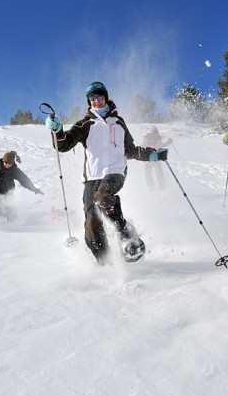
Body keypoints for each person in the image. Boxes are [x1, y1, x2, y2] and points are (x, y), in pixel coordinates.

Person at [45, 81, 168, 264]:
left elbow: (130, 149)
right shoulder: (85, 124)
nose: (96, 101)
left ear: (105, 98)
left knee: (102, 194)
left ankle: (126, 235)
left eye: (99, 97)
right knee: (91, 223)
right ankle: (105, 262)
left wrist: (151, 155)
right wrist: (57, 131)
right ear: (89, 102)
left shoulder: (118, 123)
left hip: (115, 171)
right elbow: (64, 144)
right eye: (92, 98)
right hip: (91, 177)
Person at [142, 126, 172, 190]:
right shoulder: (146, 139)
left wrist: (168, 143)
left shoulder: (158, 139)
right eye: (153, 133)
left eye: (156, 133)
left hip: (156, 159)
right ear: (151, 133)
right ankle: (151, 188)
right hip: (148, 160)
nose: (155, 135)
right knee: (148, 174)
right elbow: (143, 147)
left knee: (159, 173)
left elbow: (160, 145)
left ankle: (162, 188)